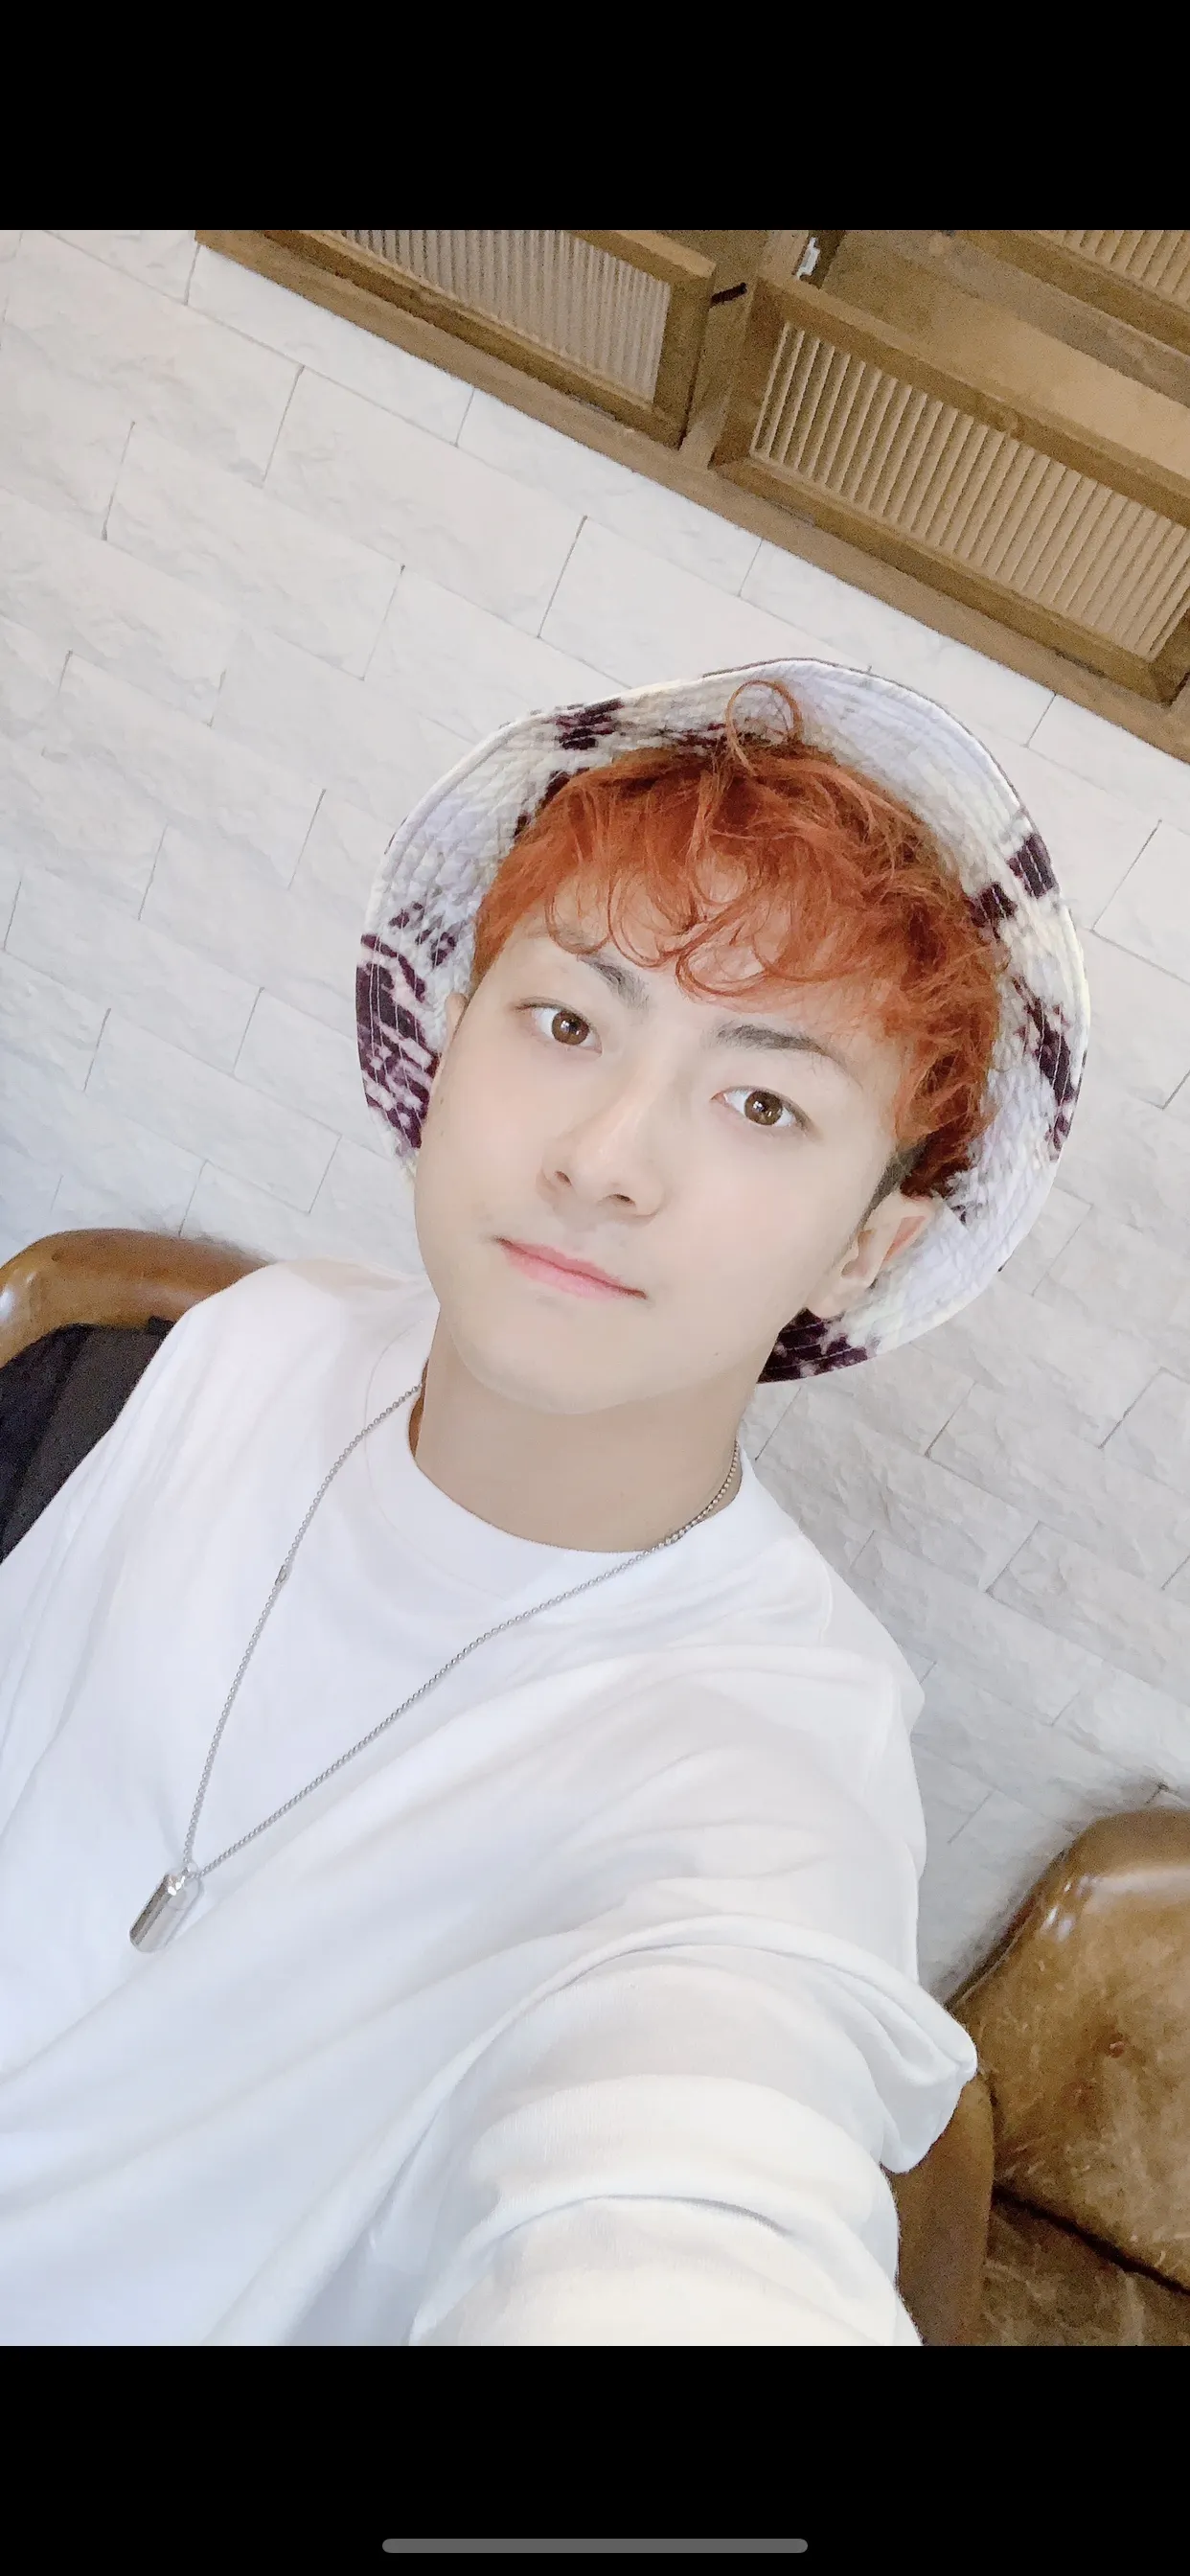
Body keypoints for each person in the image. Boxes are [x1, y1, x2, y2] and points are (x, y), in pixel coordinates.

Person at [0, 662, 1088, 2346]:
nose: (604, 1159)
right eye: (569, 1023)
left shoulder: (768, 1789)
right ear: (449, 1045)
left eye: (762, 1102)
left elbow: (695, 2189)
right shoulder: (217, 1353)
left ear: (868, 1245)